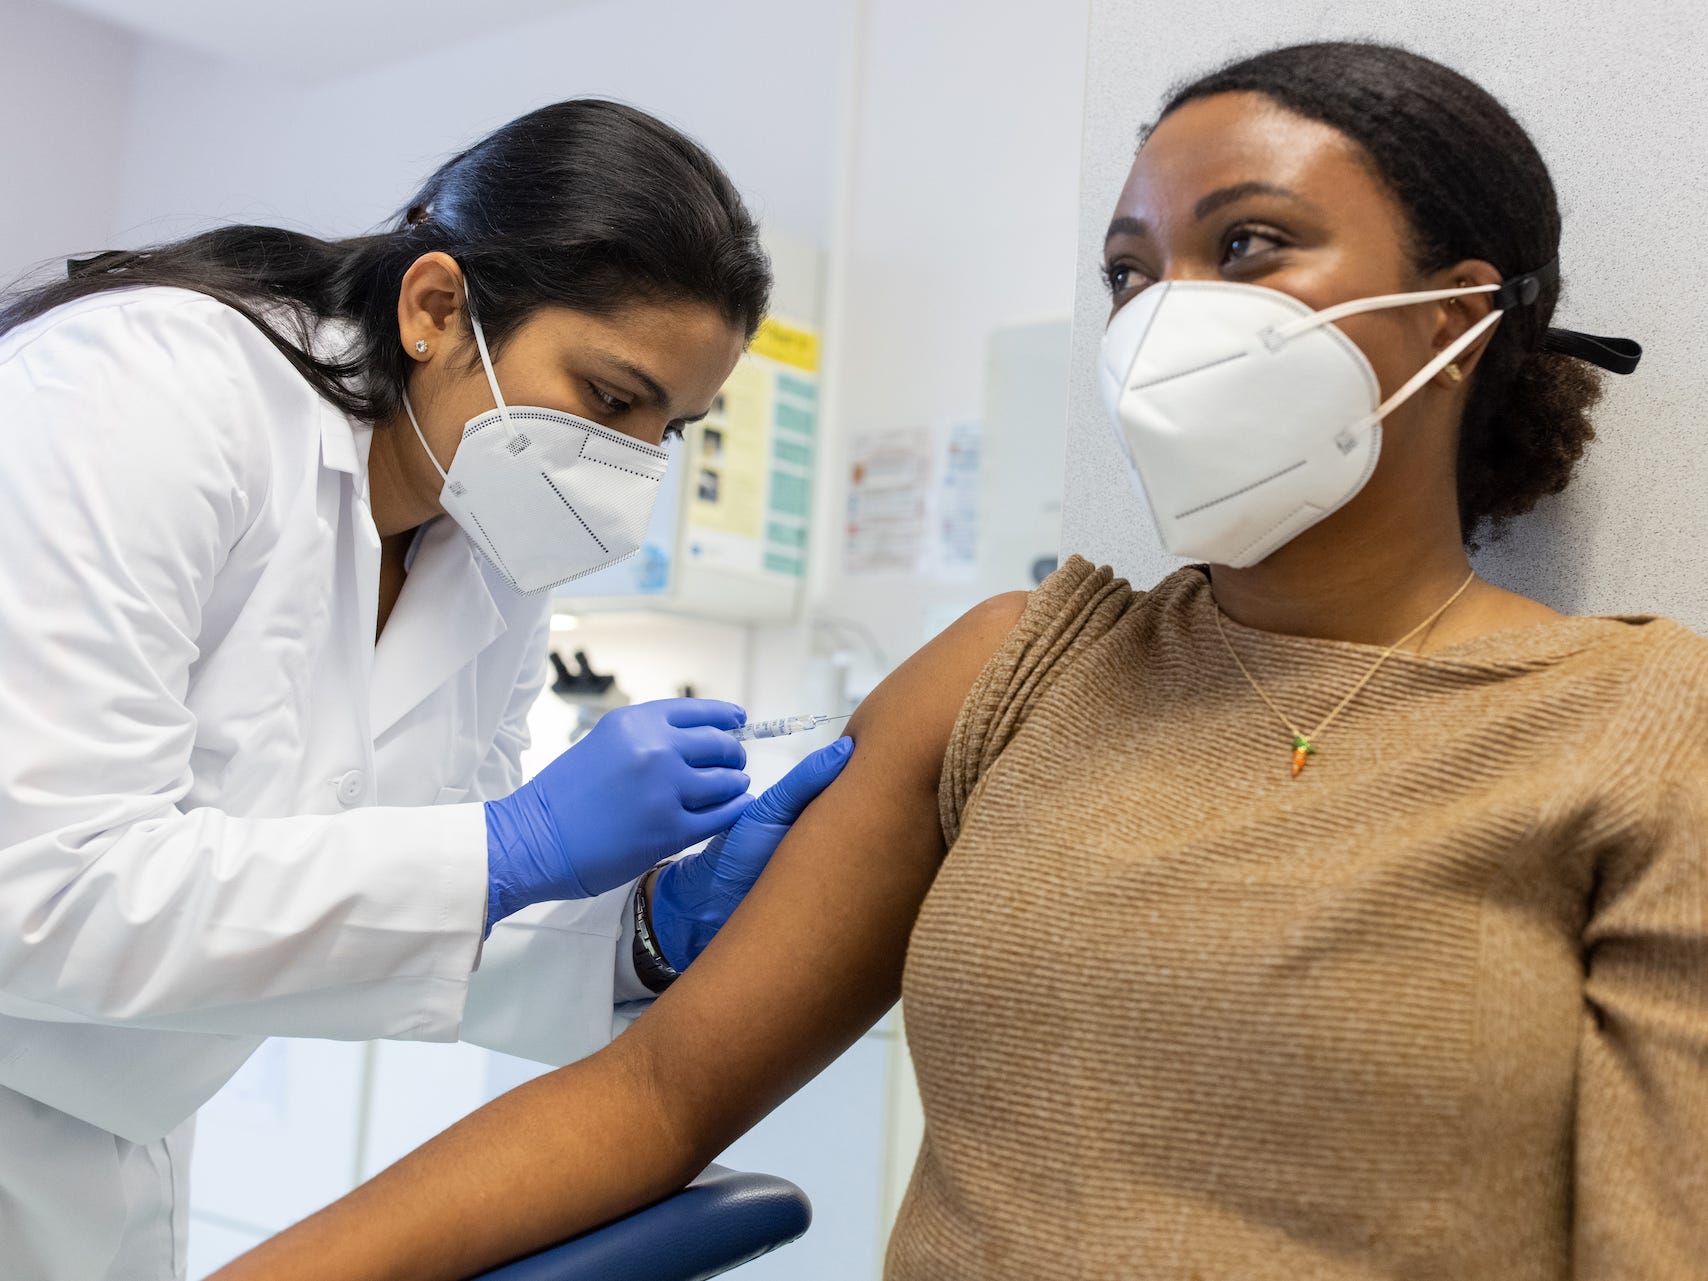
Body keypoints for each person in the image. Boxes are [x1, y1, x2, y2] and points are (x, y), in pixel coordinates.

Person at [215, 42, 1704, 1281]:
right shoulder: (1017, 672)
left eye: (1245, 244)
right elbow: (653, 1095)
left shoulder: (1639, 726)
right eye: (1132, 271)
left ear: (1455, 312)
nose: (1164, 313)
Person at [0, 99, 851, 1281]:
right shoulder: (142, 392)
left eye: (672, 428)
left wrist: (639, 930)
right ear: (436, 307)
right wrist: (514, 845)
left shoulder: (490, 549)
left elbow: (419, 897)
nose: (634, 468)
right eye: (610, 399)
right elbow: (36, 887)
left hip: (113, 1145)